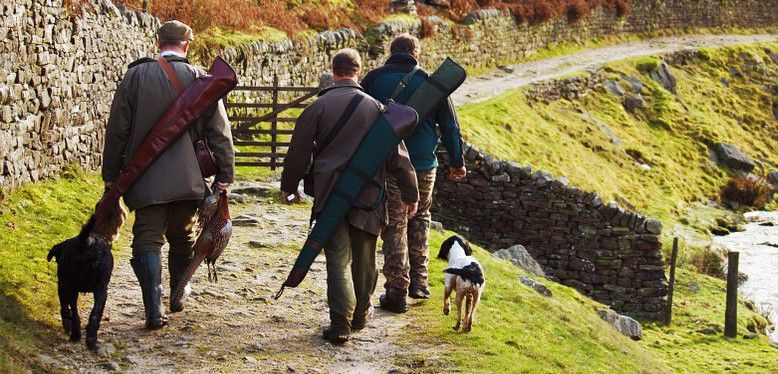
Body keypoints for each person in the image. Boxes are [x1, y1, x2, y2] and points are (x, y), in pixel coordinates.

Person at [102, 20, 235, 329]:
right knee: (183, 236)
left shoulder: (135, 76)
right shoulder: (202, 79)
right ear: (187, 45)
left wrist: (112, 177)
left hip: (145, 179)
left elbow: (117, 130)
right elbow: (220, 134)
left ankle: (153, 310)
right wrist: (225, 176)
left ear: (157, 40)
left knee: (146, 241)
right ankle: (178, 294)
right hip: (190, 180)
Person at [280, 48, 419, 344]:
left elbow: (298, 153)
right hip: (369, 196)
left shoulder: (317, 108)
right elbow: (399, 159)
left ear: (334, 71)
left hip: (330, 196)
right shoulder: (378, 109)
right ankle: (360, 316)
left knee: (337, 261)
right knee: (366, 261)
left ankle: (340, 324)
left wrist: (289, 187)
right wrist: (411, 194)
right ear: (358, 71)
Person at [361, 33, 466, 313]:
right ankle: (419, 283)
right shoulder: (432, 83)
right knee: (421, 217)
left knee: (395, 222)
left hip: (389, 163)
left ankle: (397, 290)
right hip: (423, 164)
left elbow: (359, 117)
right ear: (416, 54)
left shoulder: (373, 79)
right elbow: (451, 128)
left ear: (391, 52)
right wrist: (457, 162)